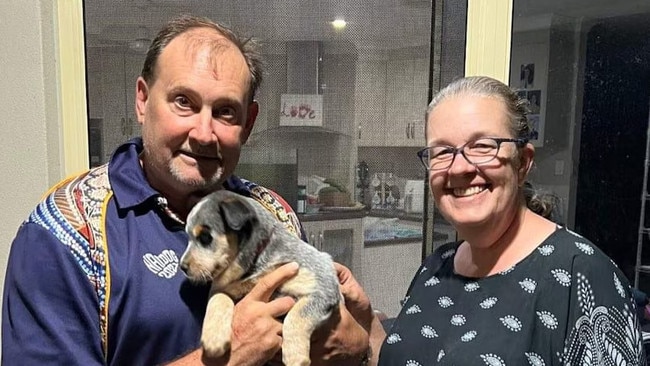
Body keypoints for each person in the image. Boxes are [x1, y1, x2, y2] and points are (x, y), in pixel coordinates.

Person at [2, 15, 371, 365]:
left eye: (226, 111)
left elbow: (325, 338)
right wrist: (226, 358)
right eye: (184, 102)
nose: (203, 133)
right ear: (143, 100)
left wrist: (359, 348)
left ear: (249, 122)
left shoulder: (273, 213)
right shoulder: (65, 233)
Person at [369, 76, 646, 364]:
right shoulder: (437, 265)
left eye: (483, 146)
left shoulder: (583, 277)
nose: (460, 167)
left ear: (523, 162)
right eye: (442, 152)